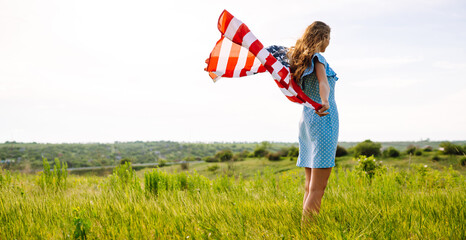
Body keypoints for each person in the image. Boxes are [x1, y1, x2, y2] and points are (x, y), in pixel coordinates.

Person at [288, 21, 339, 226]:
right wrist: (325, 101)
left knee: (310, 186)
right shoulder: (318, 58)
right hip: (323, 119)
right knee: (318, 188)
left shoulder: (300, 61)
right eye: (329, 37)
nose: (329, 41)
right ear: (323, 37)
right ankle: (309, 232)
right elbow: (323, 82)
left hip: (306, 120)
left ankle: (305, 228)